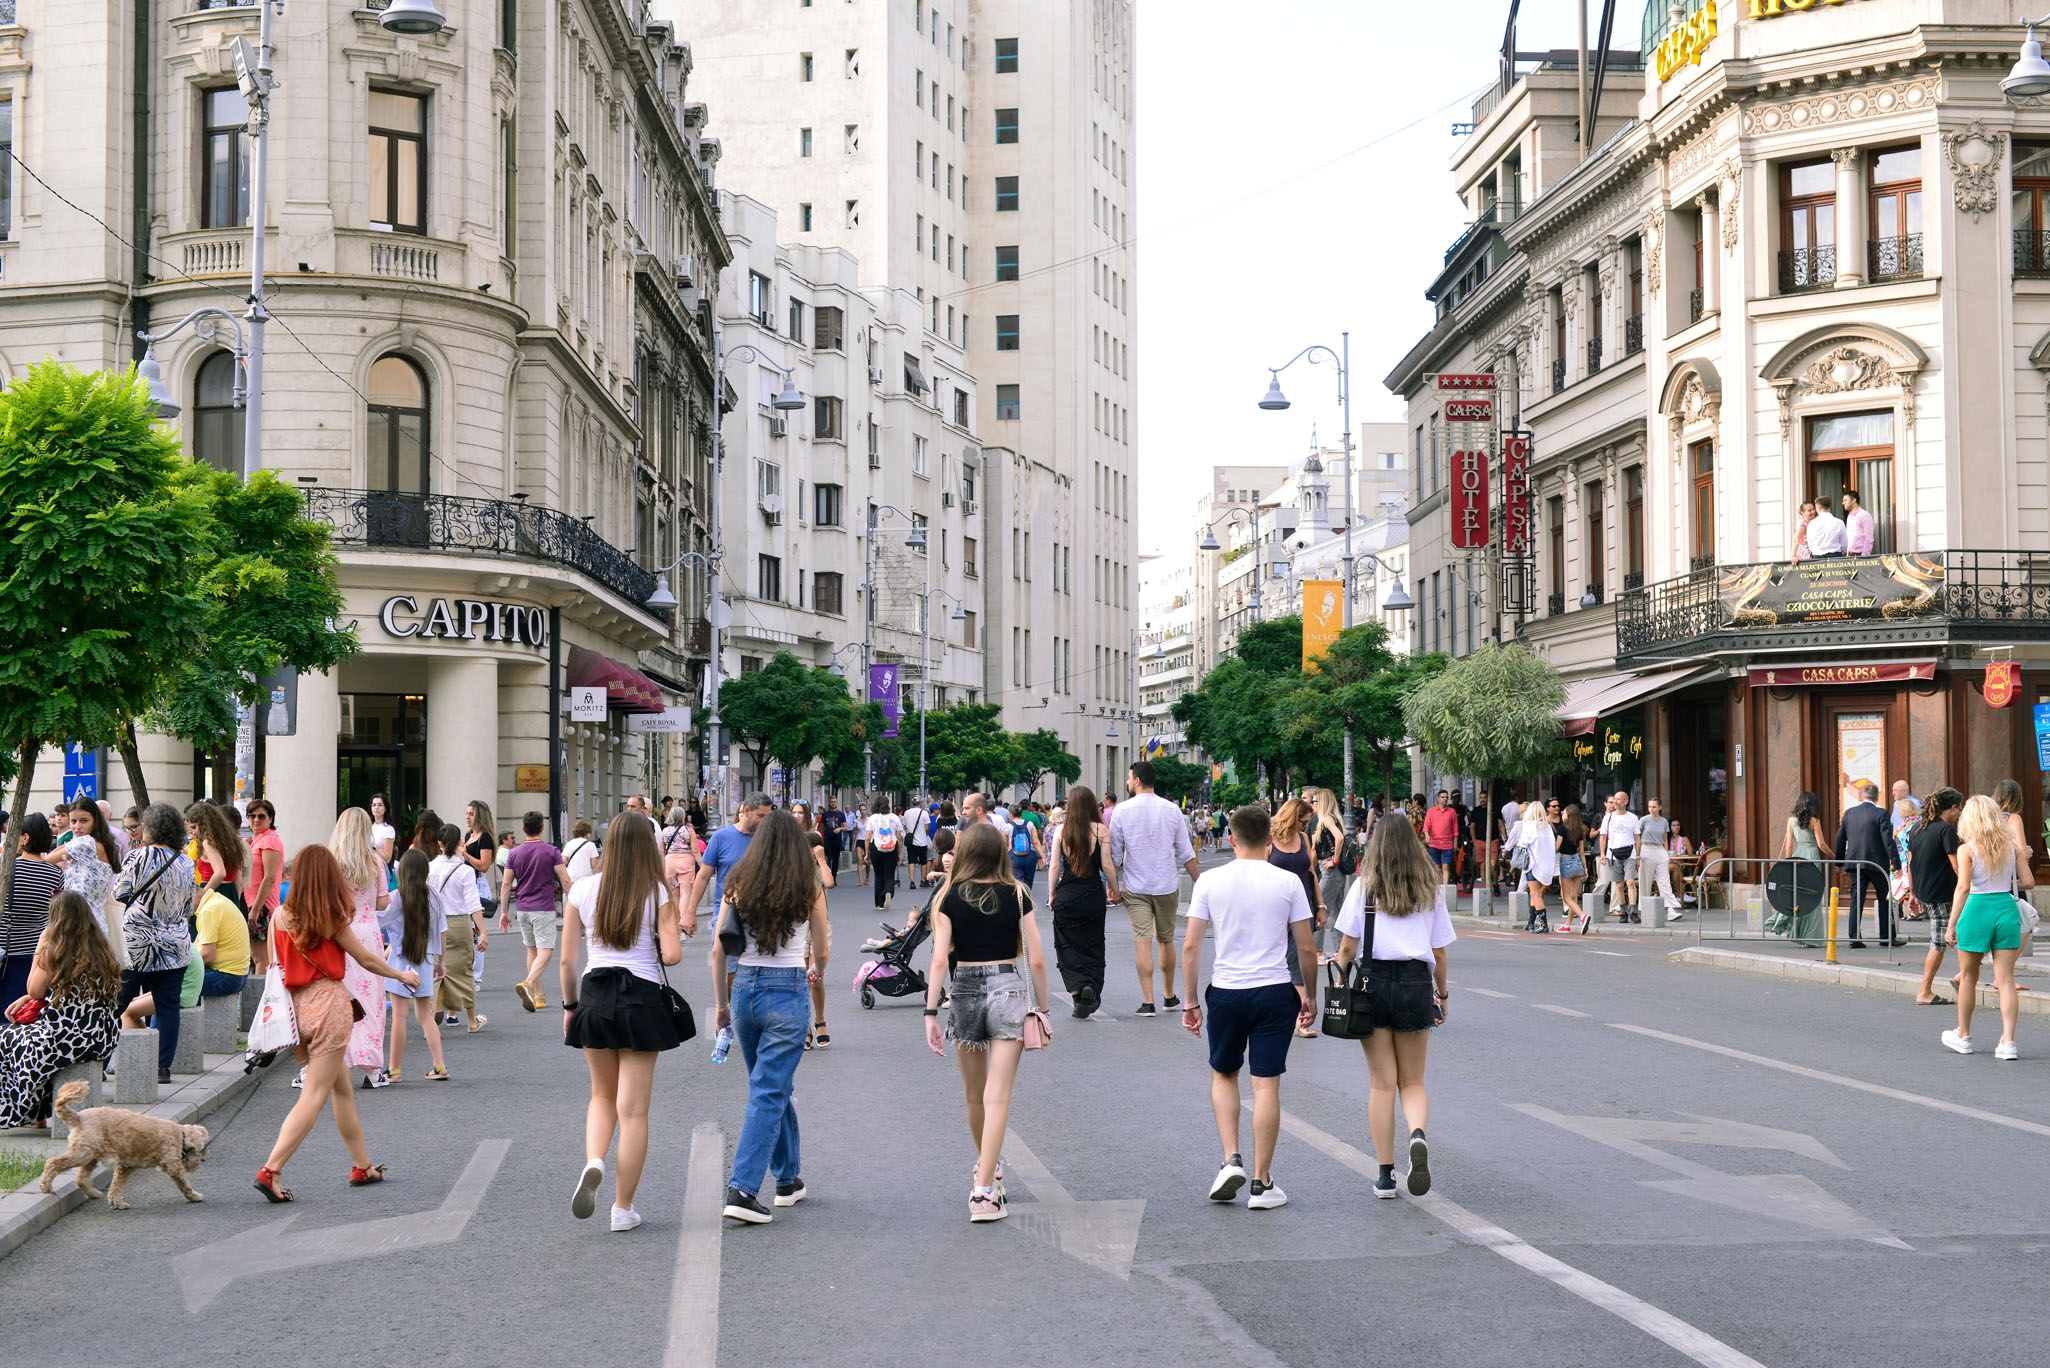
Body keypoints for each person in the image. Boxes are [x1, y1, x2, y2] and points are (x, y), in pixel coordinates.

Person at [252, 845, 421, 1202]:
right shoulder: (331, 918)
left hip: (297, 1010)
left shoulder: (279, 917)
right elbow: (367, 960)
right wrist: (401, 974)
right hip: (330, 1005)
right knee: (314, 1095)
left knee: (341, 1089)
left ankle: (363, 1165)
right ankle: (271, 1170)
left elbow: (272, 967)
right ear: (329, 877)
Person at [1180, 805, 1318, 1211]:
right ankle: (1261, 1182)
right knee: (1266, 1083)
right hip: (1275, 989)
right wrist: (1309, 995)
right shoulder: (1288, 881)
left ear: (1233, 838)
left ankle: (1230, 1159)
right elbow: (1306, 949)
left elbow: (1190, 946)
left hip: (1226, 990)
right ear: (1271, 839)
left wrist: (1189, 1000)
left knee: (1224, 1074)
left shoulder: (1210, 881)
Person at [561, 812, 689, 1232]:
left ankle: (594, 1160)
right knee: (633, 1112)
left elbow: (567, 960)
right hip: (641, 998)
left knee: (600, 1096)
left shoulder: (581, 889)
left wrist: (569, 1007)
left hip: (594, 995)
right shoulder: (656, 891)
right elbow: (672, 956)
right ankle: (622, 1209)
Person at [922, 822, 1049, 1224]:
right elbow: (1038, 959)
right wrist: (1042, 1007)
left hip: (963, 990)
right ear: (999, 852)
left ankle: (988, 1170)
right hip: (1008, 988)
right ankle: (984, 1191)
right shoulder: (1017, 894)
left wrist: (929, 1012)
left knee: (975, 1096)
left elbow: (940, 959)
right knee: (999, 1096)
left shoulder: (946, 896)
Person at [713, 811, 830, 1224]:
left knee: (771, 1085)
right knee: (769, 1088)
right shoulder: (807, 886)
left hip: (744, 988)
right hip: (788, 987)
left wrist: (723, 1007)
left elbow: (718, 952)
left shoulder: (737, 885)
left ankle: (787, 1179)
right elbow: (822, 946)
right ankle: (742, 1188)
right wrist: (816, 969)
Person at [1334, 814, 1454, 1198]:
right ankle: (1417, 1135)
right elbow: (1438, 949)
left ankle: (1385, 1175)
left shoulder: (1364, 886)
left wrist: (1340, 980)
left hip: (1373, 983)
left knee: (1381, 1084)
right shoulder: (1429, 887)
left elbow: (1348, 947)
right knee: (1413, 1081)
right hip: (1417, 981)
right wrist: (1443, 994)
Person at [0, 891, 123, 1127]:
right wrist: (28, 998)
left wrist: (41, 947)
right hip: (101, 1037)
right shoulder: (100, 948)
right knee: (28, 1041)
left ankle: (21, 1112)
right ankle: (34, 1115)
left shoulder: (56, 949)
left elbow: (35, 989)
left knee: (7, 1038)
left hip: (66, 1037)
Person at [110, 804, 197, 1085]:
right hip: (175, 944)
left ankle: (99, 1060)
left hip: (136, 945)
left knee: (118, 1001)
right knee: (167, 1005)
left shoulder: (138, 856)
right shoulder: (186, 862)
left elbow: (120, 891)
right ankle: (162, 1068)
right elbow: (187, 907)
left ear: (150, 828)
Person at [1943, 795, 2033, 1060]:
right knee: (2005, 980)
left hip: (1977, 909)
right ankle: (2008, 1042)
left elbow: (1963, 888)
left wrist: (1951, 925)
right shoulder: (2011, 847)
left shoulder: (1967, 849)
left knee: (1968, 976)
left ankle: (1964, 1036)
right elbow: (2027, 881)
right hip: (2005, 908)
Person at [1108, 760, 1197, 1015]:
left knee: (1142, 942)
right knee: (1166, 941)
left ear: (1137, 781)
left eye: (1128, 778)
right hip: (1166, 884)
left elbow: (1114, 856)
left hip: (1136, 886)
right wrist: (1200, 883)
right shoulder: (1172, 810)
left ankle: (1148, 1002)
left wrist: (1112, 887)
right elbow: (1185, 852)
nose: (1127, 782)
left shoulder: (1122, 812)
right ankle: (1169, 996)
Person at [328, 808, 391, 1088]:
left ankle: (329, 1063)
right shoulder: (375, 861)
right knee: (370, 999)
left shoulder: (332, 862)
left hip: (339, 932)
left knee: (338, 999)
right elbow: (382, 903)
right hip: (367, 932)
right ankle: (373, 1070)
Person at [377, 847, 448, 1082]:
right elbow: (441, 930)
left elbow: (381, 918)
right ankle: (439, 1065)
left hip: (400, 960)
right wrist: (441, 961)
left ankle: (394, 1069)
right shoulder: (435, 896)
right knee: (425, 1014)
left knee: (399, 1015)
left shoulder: (397, 896)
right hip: (426, 959)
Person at [1048, 785, 1118, 1019]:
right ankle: (1091, 985)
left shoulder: (1061, 831)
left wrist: (1051, 894)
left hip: (1067, 896)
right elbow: (1107, 865)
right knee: (1094, 942)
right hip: (1092, 896)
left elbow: (1055, 866)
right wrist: (1115, 890)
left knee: (1067, 945)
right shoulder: (1101, 830)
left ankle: (1078, 990)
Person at [1265, 798, 1324, 1037]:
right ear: (1292, 817)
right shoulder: (1269, 839)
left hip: (1303, 908)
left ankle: (1301, 1020)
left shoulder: (1304, 839)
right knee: (1280, 961)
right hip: (1275, 910)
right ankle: (1280, 1014)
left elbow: (1311, 873)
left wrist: (1320, 905)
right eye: (1303, 821)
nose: (1305, 826)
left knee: (1301, 959)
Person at [502, 811, 571, 1012]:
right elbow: (565, 880)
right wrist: (576, 901)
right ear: (542, 828)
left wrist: (504, 912)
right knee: (546, 951)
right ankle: (529, 983)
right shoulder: (551, 852)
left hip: (522, 908)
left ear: (523, 829)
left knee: (531, 950)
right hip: (543, 907)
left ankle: (539, 995)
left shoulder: (514, 853)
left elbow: (506, 884)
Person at [428, 823, 488, 1033]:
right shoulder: (465, 871)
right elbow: (473, 904)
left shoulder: (430, 867)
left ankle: (431, 1020)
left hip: (434, 924)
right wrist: (482, 931)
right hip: (459, 923)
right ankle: (472, 1021)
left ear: (439, 844)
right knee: (464, 971)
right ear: (459, 844)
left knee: (435, 970)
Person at [1, 814, 65, 1008]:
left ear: (26, 838)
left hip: (5, 952)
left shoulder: (8, 869)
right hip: (36, 957)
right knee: (25, 1015)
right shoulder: (55, 874)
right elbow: (55, 916)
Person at [1908, 788, 1964, 1007]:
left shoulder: (1916, 828)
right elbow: (1957, 866)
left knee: (1955, 936)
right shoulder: (1946, 830)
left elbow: (1911, 864)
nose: (1959, 813)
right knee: (1939, 942)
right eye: (1958, 808)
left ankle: (1963, 977)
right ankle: (1925, 991)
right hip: (1943, 893)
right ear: (1951, 808)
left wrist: (1912, 894)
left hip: (1925, 892)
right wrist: (1968, 886)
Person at [685, 794, 771, 926]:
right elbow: (703, 876)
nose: (765, 821)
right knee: (718, 948)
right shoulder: (721, 837)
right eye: (761, 816)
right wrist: (690, 912)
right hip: (725, 914)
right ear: (747, 811)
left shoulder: (769, 839)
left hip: (759, 916)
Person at [1834, 782, 1900, 949]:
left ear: (1862, 796)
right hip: (1877, 863)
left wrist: (1839, 861)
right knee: (1884, 898)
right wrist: (1896, 863)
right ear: (1877, 797)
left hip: (1855, 863)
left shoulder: (1849, 814)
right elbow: (1888, 840)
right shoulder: (1881, 813)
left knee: (1857, 899)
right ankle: (1886, 937)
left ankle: (1854, 938)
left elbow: (1840, 838)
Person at [1993, 778, 2034, 957]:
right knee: (2024, 923)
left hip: (1993, 874)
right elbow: (2021, 851)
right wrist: (2029, 852)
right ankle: (2005, 971)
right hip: (2012, 877)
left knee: (1999, 926)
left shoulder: (1990, 818)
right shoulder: (2013, 818)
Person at [243, 799, 284, 973]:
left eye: (261, 816)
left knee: (262, 959)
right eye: (252, 816)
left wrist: (255, 909)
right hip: (254, 904)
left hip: (262, 907)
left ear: (270, 818)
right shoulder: (259, 839)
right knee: (258, 957)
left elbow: (269, 878)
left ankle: (261, 998)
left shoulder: (270, 840)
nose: (256, 820)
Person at [1310, 789, 1349, 954]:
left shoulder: (1325, 819)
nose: (1312, 804)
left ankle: (1317, 951)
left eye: (1314, 801)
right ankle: (1341, 950)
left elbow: (1339, 838)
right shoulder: (1334, 818)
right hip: (1337, 871)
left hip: (1330, 868)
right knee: (1335, 913)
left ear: (1322, 803)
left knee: (1321, 908)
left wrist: (1334, 859)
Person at [1599, 792, 1642, 923]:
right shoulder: (1608, 817)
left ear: (1626, 801)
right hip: (1613, 853)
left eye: (1618, 800)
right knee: (1618, 884)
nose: (1616, 802)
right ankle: (1623, 910)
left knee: (1630, 882)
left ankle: (1633, 910)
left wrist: (1638, 856)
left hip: (1630, 852)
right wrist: (1602, 853)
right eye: (1614, 800)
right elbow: (1603, 836)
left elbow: (1637, 837)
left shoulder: (1633, 818)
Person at [1518, 801, 1558, 933]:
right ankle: (1530, 922)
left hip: (1533, 865)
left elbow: (1523, 843)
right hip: (1546, 865)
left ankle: (1543, 924)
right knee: (1535, 894)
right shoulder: (1547, 827)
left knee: (1536, 895)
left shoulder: (1530, 826)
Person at [1636, 799, 1679, 921]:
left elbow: (1665, 839)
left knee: (1664, 881)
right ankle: (1644, 909)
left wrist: (1666, 854)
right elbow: (1638, 838)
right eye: (1649, 806)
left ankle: (1670, 909)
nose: (1651, 809)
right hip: (1646, 849)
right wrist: (1638, 856)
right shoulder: (1643, 820)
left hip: (1660, 850)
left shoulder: (1664, 821)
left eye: (1654, 806)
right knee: (1645, 882)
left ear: (1660, 807)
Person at [864, 800, 906, 910]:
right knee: (889, 874)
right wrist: (899, 853)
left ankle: (880, 903)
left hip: (876, 848)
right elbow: (900, 837)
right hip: (891, 848)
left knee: (878, 875)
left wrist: (867, 854)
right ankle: (888, 891)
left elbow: (868, 837)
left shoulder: (873, 818)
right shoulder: (895, 818)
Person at [1556, 803, 1588, 933]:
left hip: (1566, 860)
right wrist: (1585, 868)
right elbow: (1581, 851)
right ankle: (1567, 925)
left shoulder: (1562, 829)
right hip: (1577, 861)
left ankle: (1582, 916)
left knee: (1567, 897)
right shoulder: (1579, 830)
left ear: (1568, 815)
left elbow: (1557, 847)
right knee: (1574, 897)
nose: (1562, 814)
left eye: (1564, 812)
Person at [1421, 790, 1458, 885]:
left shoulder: (1452, 811)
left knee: (1446, 866)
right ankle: (1438, 886)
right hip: (1434, 843)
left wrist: (1455, 842)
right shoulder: (1431, 811)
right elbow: (1426, 826)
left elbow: (1455, 828)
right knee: (1436, 866)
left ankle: (1445, 887)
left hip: (1448, 843)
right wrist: (1427, 835)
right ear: (1438, 799)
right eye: (1443, 797)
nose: (1445, 799)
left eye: (1446, 797)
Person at [1007, 805, 1045, 892]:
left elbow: (1003, 843)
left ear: (1011, 814)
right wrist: (1043, 856)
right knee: (1028, 883)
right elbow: (1036, 842)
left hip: (1014, 857)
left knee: (1017, 883)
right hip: (1029, 856)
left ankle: (1020, 901)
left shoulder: (1008, 826)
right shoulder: (1030, 824)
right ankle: (1027, 899)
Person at [904, 796, 931, 889]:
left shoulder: (906, 813)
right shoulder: (924, 813)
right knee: (923, 862)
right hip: (922, 841)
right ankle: (922, 880)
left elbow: (905, 826)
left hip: (911, 842)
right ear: (920, 803)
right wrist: (925, 834)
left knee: (911, 861)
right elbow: (927, 828)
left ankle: (912, 881)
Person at [564, 819, 602, 883]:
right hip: (586, 879)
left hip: (571, 878)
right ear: (587, 833)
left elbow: (563, 861)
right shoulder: (591, 845)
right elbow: (594, 865)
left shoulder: (569, 844)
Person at [1843, 489, 1874, 556]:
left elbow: (1869, 538)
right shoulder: (1849, 517)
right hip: (1850, 555)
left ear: (1854, 500)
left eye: (1845, 500)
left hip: (1860, 556)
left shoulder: (1864, 515)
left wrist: (1864, 556)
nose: (1843, 503)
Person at [369, 794, 397, 866]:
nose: (376, 807)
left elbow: (387, 858)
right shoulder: (369, 827)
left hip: (381, 869)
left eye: (380, 805)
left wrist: (373, 847)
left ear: (386, 808)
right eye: (374, 805)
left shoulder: (388, 829)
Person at [819, 804, 846, 876]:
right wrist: (821, 837)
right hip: (827, 839)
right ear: (829, 803)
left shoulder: (841, 814)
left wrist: (840, 829)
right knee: (828, 858)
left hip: (837, 839)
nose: (833, 803)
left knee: (835, 859)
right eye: (831, 802)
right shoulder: (825, 814)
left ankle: (834, 877)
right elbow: (821, 827)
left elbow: (846, 827)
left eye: (834, 802)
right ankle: (828, 876)